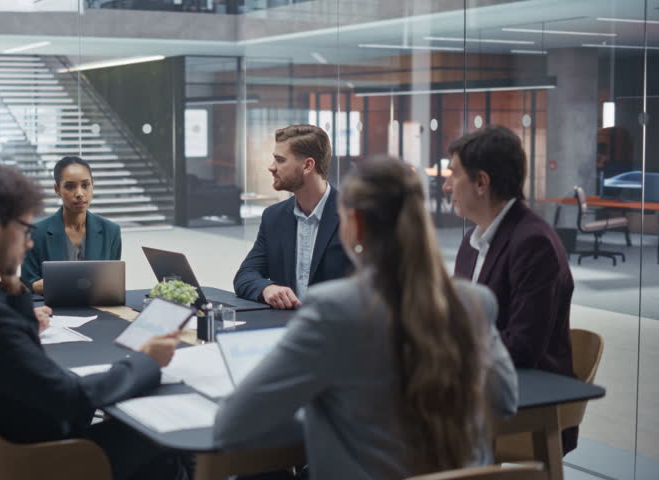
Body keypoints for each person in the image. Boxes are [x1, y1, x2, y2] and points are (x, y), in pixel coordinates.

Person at [215, 157, 517, 479]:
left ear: (355, 224)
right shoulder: (474, 302)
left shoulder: (333, 310)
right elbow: (505, 401)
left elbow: (231, 424)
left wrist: (321, 411)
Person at [0, 163, 185, 480]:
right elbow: (71, 398)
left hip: (4, 448)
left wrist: (12, 283)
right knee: (170, 436)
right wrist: (146, 361)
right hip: (44, 460)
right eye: (24, 230)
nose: (29, 242)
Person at [442, 125, 577, 452]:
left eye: (453, 175)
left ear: (481, 182)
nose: (446, 186)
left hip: (526, 402)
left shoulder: (534, 243)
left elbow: (522, 348)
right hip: (477, 386)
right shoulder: (472, 242)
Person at [233, 125, 351, 309]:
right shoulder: (274, 217)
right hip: (285, 324)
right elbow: (245, 275)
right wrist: (267, 288)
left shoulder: (352, 217)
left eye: (280, 160)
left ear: (308, 165)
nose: (271, 167)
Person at [21, 156, 122, 294]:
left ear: (93, 185)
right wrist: (38, 285)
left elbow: (112, 284)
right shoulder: (35, 233)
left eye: (85, 185)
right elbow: (28, 284)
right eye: (70, 186)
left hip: (97, 305)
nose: (79, 194)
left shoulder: (111, 231)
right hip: (51, 306)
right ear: (57, 189)